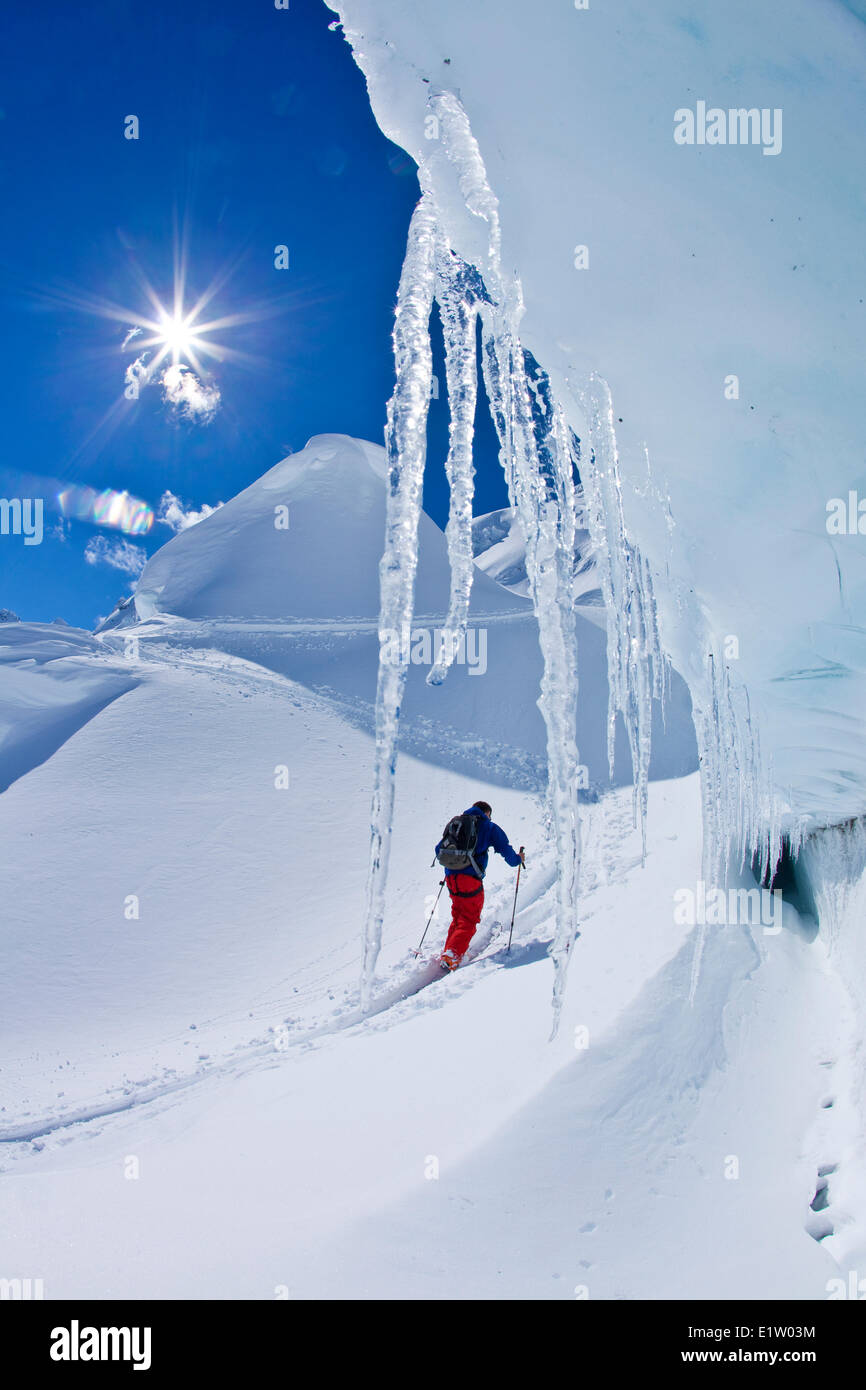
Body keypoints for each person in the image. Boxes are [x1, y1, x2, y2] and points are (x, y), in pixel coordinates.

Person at [434, 800, 524, 970]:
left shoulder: (456, 824)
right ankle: (452, 955)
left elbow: (438, 850)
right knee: (469, 918)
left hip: (451, 878)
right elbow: (510, 857)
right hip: (470, 879)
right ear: (487, 813)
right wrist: (519, 858)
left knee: (458, 916)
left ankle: (449, 952)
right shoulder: (489, 827)